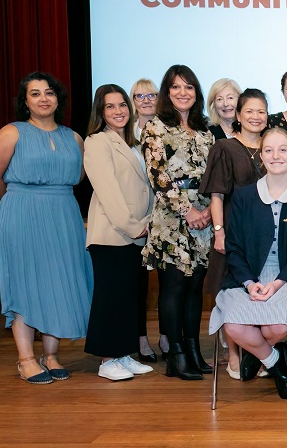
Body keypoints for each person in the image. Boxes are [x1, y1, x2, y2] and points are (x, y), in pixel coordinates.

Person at [0, 71, 93, 384]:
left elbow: (78, 178)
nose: (44, 98)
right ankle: (26, 358)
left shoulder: (74, 138)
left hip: (64, 216)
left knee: (58, 281)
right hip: (20, 216)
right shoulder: (12, 133)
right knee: (25, 283)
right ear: (25, 101)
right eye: (35, 93)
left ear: (58, 99)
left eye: (49, 92)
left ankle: (52, 355)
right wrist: (21, 201)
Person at [207, 127, 287, 399]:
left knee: (279, 326)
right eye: (268, 150)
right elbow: (233, 247)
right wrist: (249, 283)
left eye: (283, 149)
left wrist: (278, 283)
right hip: (247, 276)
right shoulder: (245, 197)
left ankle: (257, 354)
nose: (276, 155)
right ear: (261, 156)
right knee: (233, 325)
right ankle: (276, 362)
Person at [142, 64, 214, 381]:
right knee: (173, 287)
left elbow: (216, 176)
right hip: (172, 218)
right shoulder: (155, 128)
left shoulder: (206, 130)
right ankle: (176, 356)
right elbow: (159, 177)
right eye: (175, 87)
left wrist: (210, 210)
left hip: (205, 218)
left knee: (196, 287)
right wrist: (189, 211)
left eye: (188, 87)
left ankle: (193, 348)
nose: (182, 93)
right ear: (167, 93)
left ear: (196, 93)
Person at [82, 84, 156, 381]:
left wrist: (149, 221)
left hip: (138, 232)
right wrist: (133, 225)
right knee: (110, 297)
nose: (118, 111)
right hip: (114, 233)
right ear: (100, 112)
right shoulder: (97, 141)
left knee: (129, 297)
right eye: (110, 106)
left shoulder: (134, 144)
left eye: (122, 105)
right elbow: (108, 190)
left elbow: (147, 188)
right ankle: (107, 359)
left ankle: (124, 354)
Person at [200, 88, 270, 379]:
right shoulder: (225, 148)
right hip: (233, 233)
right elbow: (216, 195)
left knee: (260, 294)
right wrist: (219, 232)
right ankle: (233, 356)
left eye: (261, 111)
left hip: (266, 236)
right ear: (238, 115)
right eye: (249, 111)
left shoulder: (273, 147)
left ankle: (263, 354)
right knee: (232, 295)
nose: (256, 117)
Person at [130, 78, 163, 362]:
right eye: (139, 95)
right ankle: (140, 337)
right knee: (139, 284)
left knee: (168, 282)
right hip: (137, 216)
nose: (146, 100)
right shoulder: (124, 134)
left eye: (151, 94)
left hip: (165, 216)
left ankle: (167, 336)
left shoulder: (168, 128)